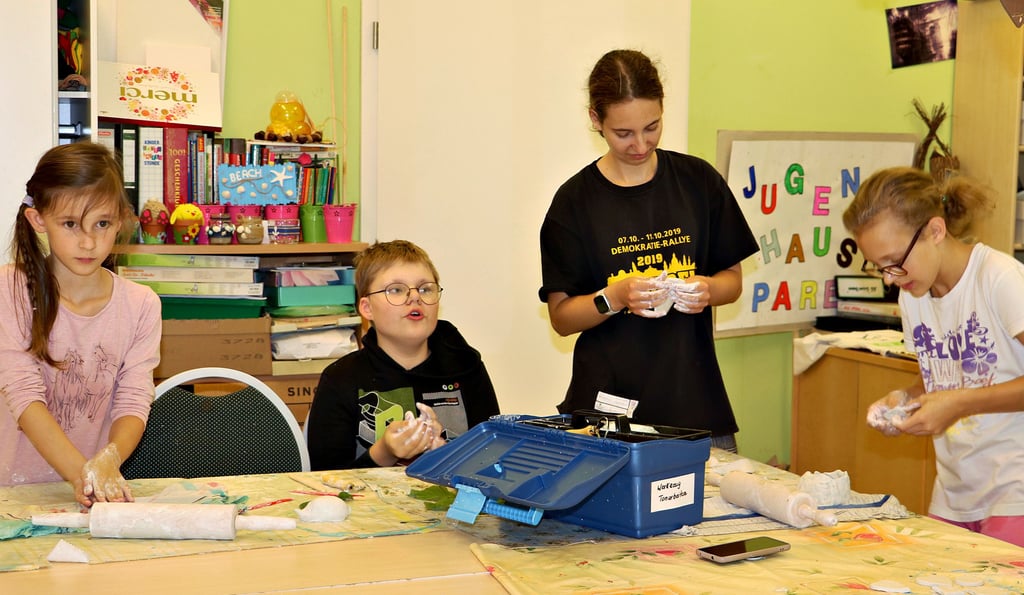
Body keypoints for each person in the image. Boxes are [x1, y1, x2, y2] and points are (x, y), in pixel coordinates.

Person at [538, 49, 757, 452]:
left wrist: (707, 290)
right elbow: (562, 318)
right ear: (595, 119)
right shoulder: (574, 202)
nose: (640, 144)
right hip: (608, 413)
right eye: (623, 133)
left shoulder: (698, 181)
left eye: (652, 127)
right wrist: (615, 297)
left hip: (695, 404)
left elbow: (732, 282)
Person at [843, 166, 1024, 547]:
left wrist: (958, 404)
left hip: (1014, 492)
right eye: (879, 267)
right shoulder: (913, 295)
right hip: (955, 493)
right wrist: (906, 399)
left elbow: (958, 395)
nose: (889, 278)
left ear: (935, 231)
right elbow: (941, 378)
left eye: (895, 261)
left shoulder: (998, 278)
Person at [0, 142, 162, 508]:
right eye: (70, 224)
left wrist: (106, 463)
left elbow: (133, 400)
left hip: (93, 493)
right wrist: (84, 475)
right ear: (38, 220)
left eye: (102, 224)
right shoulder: (9, 289)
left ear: (121, 220)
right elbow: (23, 395)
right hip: (14, 494)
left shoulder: (142, 305)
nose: (88, 242)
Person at [306, 239, 500, 470]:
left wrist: (446, 457)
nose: (415, 297)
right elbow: (323, 479)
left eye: (425, 289)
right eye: (396, 290)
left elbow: (494, 462)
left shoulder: (467, 366)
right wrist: (384, 452)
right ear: (367, 308)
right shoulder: (340, 378)